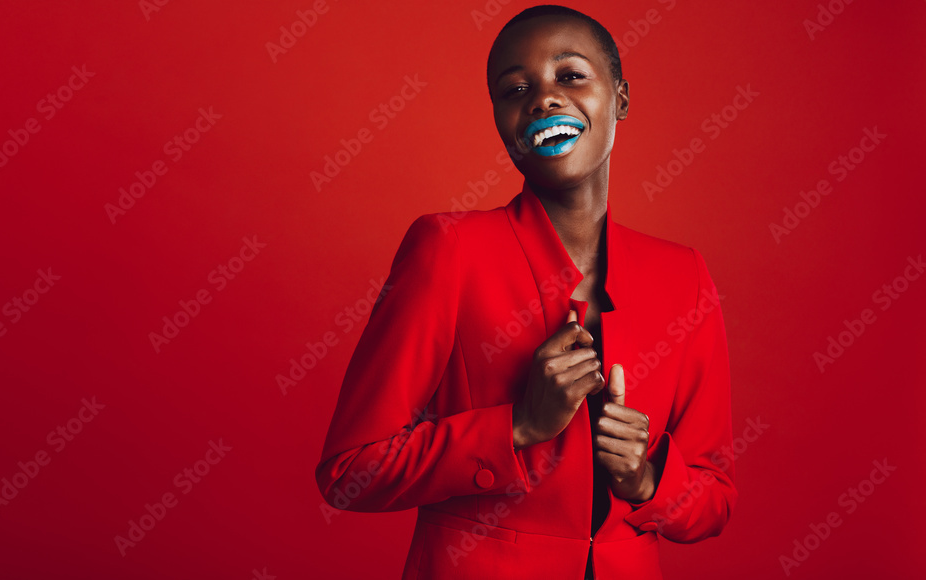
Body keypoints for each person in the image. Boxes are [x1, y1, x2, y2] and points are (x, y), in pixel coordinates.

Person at [315, 5, 736, 578]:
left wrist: (648, 479)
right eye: (515, 88)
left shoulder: (684, 275)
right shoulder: (448, 248)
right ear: (501, 119)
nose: (543, 99)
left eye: (570, 76)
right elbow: (350, 471)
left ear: (621, 99)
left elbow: (715, 500)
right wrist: (518, 426)